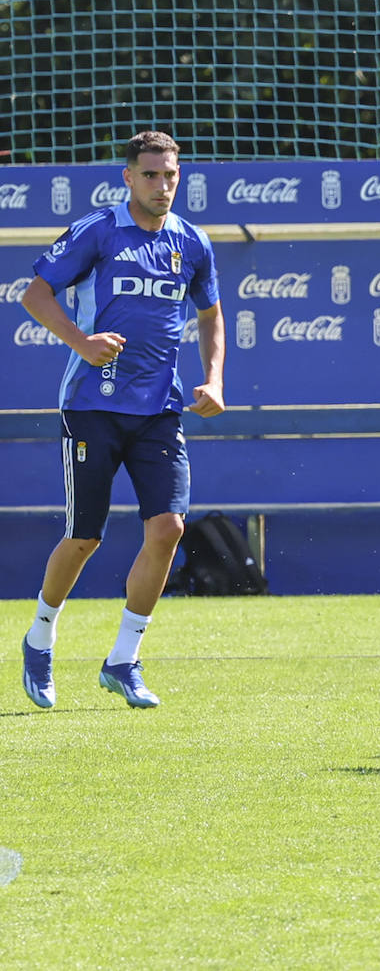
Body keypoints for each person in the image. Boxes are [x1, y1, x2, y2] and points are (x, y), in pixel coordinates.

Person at [19, 130, 225, 710]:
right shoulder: (100, 229)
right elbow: (35, 295)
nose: (164, 186)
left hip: (160, 409)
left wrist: (214, 379)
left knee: (169, 529)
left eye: (171, 176)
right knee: (84, 536)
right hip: (92, 405)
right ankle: (40, 637)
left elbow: (212, 314)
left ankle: (123, 660)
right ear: (128, 178)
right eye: (152, 175)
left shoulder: (192, 242)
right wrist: (83, 343)